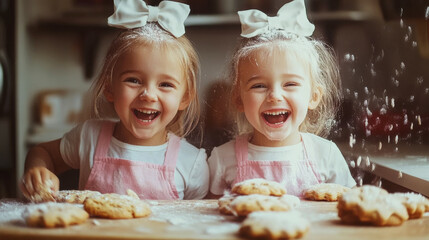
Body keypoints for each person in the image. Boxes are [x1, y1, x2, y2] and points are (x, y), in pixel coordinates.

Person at [20, 0, 209, 200]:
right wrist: (37, 170)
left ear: (185, 97)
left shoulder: (192, 164)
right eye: (133, 80)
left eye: (165, 85)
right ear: (110, 88)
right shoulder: (89, 138)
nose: (149, 95)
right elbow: (42, 152)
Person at [208, 0, 356, 198]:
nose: (275, 96)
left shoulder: (326, 155)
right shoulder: (223, 159)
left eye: (290, 84)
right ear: (238, 99)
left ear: (313, 97)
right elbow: (207, 216)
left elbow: (347, 208)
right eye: (259, 85)